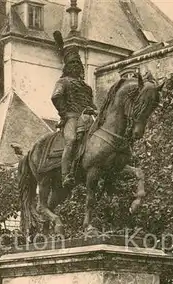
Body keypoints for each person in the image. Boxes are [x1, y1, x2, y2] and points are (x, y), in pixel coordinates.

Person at [52, 31, 97, 188]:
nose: (76, 67)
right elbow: (56, 97)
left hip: (86, 119)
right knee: (70, 141)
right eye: (73, 64)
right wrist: (64, 114)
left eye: (78, 64)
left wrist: (95, 111)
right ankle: (66, 175)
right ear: (67, 66)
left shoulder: (87, 88)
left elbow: (92, 104)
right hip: (71, 117)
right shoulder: (63, 82)